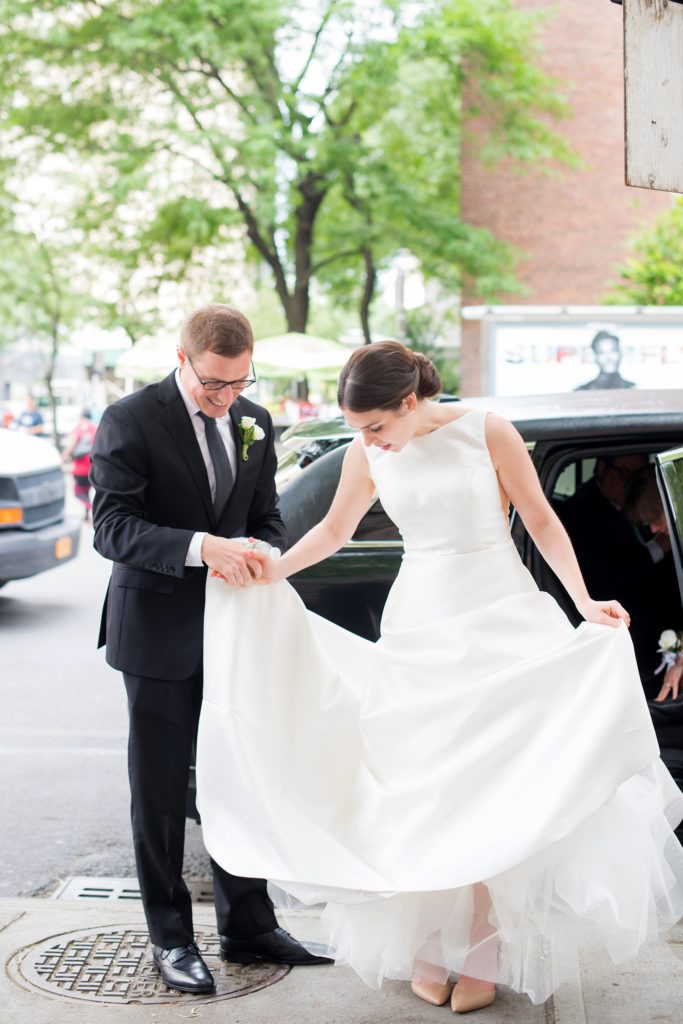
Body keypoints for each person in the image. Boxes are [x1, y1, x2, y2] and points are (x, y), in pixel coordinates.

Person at [196, 340, 683, 1012]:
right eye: (357, 430)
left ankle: (481, 954)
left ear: (408, 401)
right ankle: (428, 949)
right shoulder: (369, 451)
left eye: (374, 426)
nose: (367, 441)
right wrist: (268, 572)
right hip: (419, 632)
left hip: (499, 622)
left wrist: (580, 600)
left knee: (492, 793)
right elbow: (335, 530)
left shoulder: (488, 431)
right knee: (422, 794)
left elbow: (539, 518)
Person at [90, 305, 328, 997]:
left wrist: (263, 551)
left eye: (236, 383)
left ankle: (249, 927)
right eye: (212, 385)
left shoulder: (255, 419)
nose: (224, 398)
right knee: (161, 793)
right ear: (182, 357)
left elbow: (267, 516)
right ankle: (171, 939)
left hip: (237, 632)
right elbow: (112, 528)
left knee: (237, 776)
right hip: (157, 633)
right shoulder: (129, 420)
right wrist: (201, 549)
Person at [559, 454, 675, 688]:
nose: (632, 482)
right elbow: (611, 575)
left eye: (638, 475)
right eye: (625, 474)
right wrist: (659, 547)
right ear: (601, 468)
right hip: (618, 628)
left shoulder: (625, 505)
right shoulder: (583, 512)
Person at [62, 409, 98, 521]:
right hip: (93, 467)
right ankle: (86, 516)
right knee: (86, 491)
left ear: (81, 417)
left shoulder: (78, 428)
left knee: (78, 492)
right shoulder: (95, 428)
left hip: (80, 468)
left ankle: (92, 509)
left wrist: (62, 457)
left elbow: (71, 446)